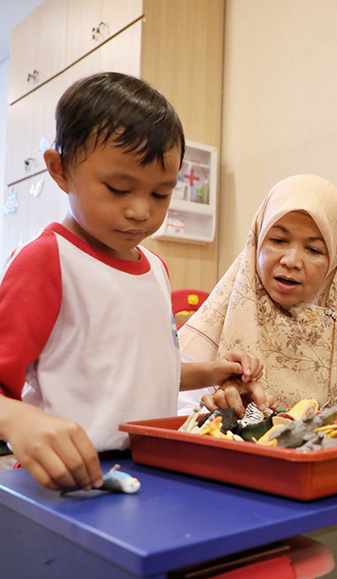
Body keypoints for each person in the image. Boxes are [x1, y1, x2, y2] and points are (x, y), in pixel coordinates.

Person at [0, 72, 265, 493]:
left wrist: (210, 372)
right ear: (60, 170)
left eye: (161, 194)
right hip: (72, 482)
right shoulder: (48, 260)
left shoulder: (155, 267)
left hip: (155, 469)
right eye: (119, 189)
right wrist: (17, 420)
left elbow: (137, 373)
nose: (141, 211)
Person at [179, 174, 337, 413]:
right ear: (257, 241)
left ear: (336, 261)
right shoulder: (216, 323)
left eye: (314, 249)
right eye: (278, 240)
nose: (291, 261)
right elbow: (179, 410)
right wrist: (219, 411)